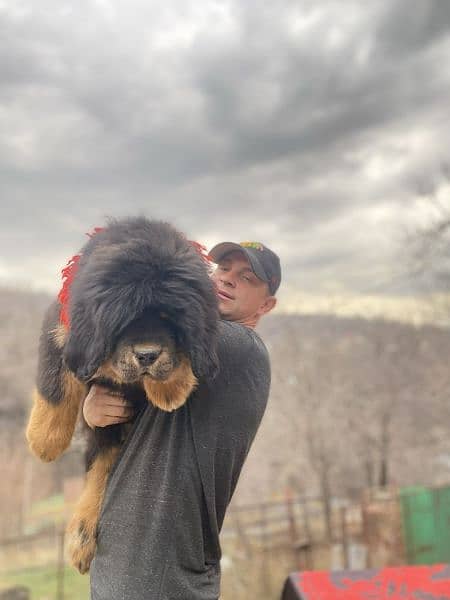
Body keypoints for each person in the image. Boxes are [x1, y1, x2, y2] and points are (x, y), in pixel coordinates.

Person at [84, 240, 281, 600]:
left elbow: (132, 320)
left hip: (163, 578)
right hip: (118, 571)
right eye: (223, 268)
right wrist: (91, 407)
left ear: (266, 305)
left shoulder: (238, 348)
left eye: (247, 277)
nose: (229, 279)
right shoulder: (178, 359)